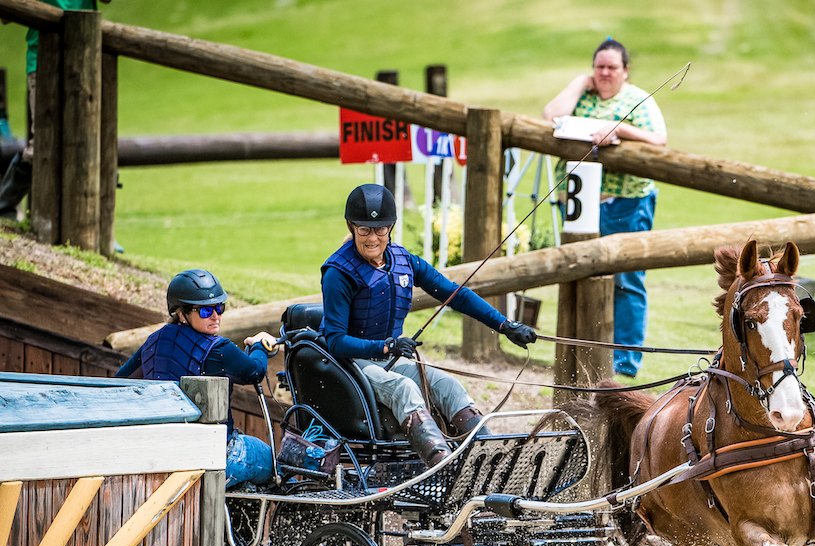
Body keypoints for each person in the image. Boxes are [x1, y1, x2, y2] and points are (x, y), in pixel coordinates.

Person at [319, 184, 537, 467]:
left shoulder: (403, 260)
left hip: (388, 358)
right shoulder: (338, 273)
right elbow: (335, 341)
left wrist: (505, 324)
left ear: (391, 227)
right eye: (364, 230)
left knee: (449, 386)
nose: (373, 238)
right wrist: (386, 345)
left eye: (380, 229)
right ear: (351, 226)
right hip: (352, 363)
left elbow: (455, 295)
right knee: (404, 389)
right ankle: (441, 469)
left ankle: (487, 462)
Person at [543, 38, 667, 377]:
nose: (605, 73)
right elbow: (551, 116)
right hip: (581, 202)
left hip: (626, 202)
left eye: (612, 67)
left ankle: (624, 363)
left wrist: (621, 129)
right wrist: (579, 82)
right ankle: (583, 350)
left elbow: (659, 139)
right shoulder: (583, 95)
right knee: (579, 272)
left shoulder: (637, 100)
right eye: (599, 67)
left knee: (626, 279)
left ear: (625, 71)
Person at [117, 269, 277, 488]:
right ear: (181, 313)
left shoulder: (153, 342)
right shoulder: (219, 349)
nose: (215, 316)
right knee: (274, 463)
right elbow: (255, 371)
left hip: (163, 452)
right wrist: (260, 346)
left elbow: (121, 380)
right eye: (204, 311)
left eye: (219, 307)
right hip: (216, 454)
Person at [0, 0, 111, 220]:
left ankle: (96, 221)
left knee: (89, 143)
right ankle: (4, 210)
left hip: (86, 57)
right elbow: (5, 13)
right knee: (43, 145)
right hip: (43, 60)